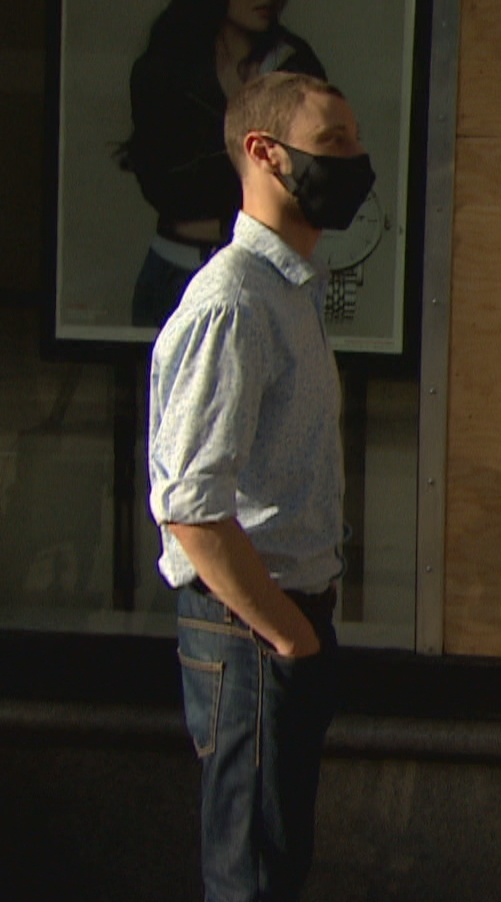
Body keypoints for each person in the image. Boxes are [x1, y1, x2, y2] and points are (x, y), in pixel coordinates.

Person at [148, 70, 375, 902]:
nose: (356, 162)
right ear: (264, 153)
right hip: (249, 628)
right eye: (335, 145)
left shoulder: (289, 292)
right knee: (248, 870)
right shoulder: (234, 301)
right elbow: (191, 510)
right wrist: (286, 636)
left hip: (286, 619)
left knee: (277, 861)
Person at [123, 0, 328, 328]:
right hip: (176, 271)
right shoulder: (165, 67)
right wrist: (255, 177)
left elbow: (315, 179)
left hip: (268, 273)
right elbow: (165, 182)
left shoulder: (295, 64)